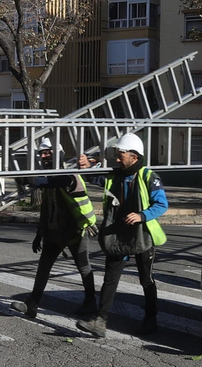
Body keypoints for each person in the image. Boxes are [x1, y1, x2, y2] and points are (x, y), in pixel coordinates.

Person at [75, 133, 167, 338]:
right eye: (116, 155)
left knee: (146, 279)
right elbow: (94, 176)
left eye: (121, 155)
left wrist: (142, 215)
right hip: (118, 235)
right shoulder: (114, 175)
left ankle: (151, 319)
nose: (117, 159)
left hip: (143, 235)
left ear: (134, 156)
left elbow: (162, 204)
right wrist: (85, 166)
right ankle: (100, 321)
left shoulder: (149, 176)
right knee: (110, 278)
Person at [9, 138, 97, 319]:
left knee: (84, 268)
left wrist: (32, 180)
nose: (44, 156)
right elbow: (46, 208)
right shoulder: (49, 177)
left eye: (48, 152)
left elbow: (57, 181)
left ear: (59, 154)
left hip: (75, 232)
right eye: (42, 153)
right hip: (54, 233)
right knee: (43, 267)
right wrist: (39, 234)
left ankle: (91, 303)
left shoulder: (69, 175)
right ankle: (32, 304)